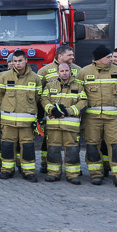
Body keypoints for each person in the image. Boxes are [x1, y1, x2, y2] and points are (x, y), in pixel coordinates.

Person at [78, 46, 117, 189]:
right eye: (108, 57)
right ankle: (96, 174)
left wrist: (114, 103)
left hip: (113, 118)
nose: (112, 59)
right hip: (92, 118)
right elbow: (79, 93)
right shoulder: (84, 72)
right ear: (99, 58)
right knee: (92, 145)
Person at [0, 49, 43, 182]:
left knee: (27, 146)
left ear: (26, 60)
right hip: (8, 121)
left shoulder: (35, 78)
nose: (17, 64)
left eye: (20, 61)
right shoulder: (4, 76)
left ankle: (29, 172)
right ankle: (6, 170)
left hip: (27, 122)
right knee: (7, 146)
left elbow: (38, 97)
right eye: (15, 61)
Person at [41, 62, 87, 184]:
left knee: (72, 150)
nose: (64, 73)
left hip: (71, 126)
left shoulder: (79, 86)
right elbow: (44, 100)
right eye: (62, 71)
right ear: (58, 72)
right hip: (53, 125)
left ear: (70, 72)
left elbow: (83, 102)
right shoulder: (50, 86)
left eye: (66, 71)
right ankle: (53, 173)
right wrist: (52, 110)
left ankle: (73, 175)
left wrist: (68, 111)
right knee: (53, 149)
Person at [38, 45, 79, 174]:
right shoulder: (45, 70)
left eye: (73, 55)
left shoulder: (79, 70)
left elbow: (83, 92)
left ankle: (72, 169)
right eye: (69, 55)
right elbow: (39, 93)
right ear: (60, 56)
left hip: (71, 117)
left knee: (72, 144)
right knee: (49, 141)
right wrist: (47, 110)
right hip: (52, 116)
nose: (72, 57)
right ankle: (46, 164)